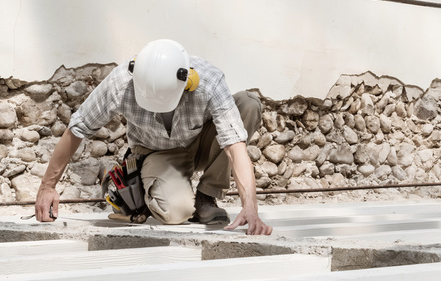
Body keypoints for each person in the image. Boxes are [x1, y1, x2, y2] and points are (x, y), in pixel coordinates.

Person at [34, 39, 272, 235]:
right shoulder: (121, 81)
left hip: (201, 142)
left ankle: (206, 197)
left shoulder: (209, 82)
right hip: (156, 150)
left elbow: (234, 146)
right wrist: (47, 187)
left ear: (188, 81)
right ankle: (134, 187)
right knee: (175, 212)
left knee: (248, 104)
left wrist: (249, 207)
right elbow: (78, 127)